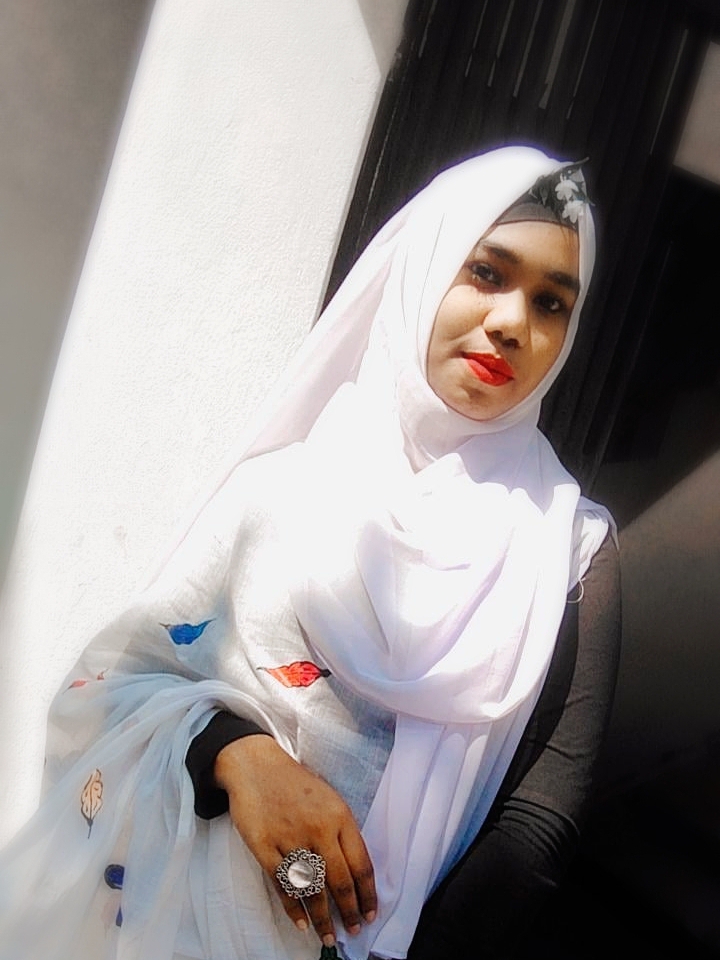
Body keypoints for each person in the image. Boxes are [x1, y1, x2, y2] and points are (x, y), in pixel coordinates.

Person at [0, 145, 620, 960]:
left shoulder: (566, 548)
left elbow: (533, 833)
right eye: (486, 273)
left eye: (551, 303)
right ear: (423, 271)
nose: (512, 323)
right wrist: (237, 754)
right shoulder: (279, 492)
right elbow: (107, 688)